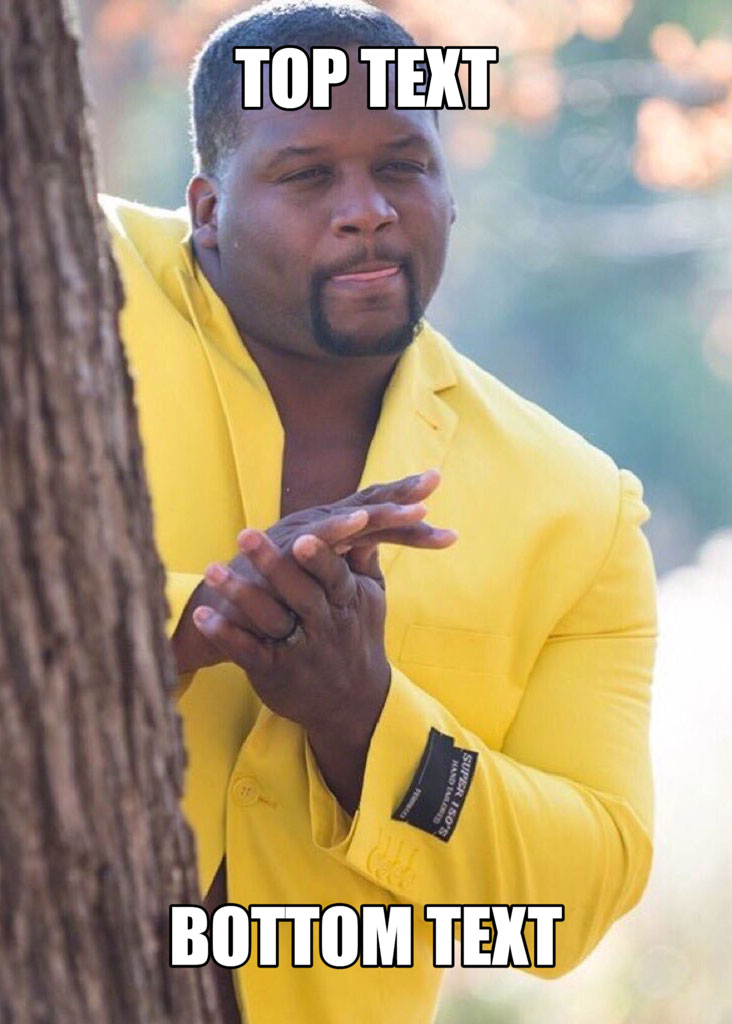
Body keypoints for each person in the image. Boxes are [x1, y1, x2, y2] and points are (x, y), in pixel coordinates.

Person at [101, 1, 658, 1021]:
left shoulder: (575, 510)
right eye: (308, 174)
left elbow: (579, 895)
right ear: (209, 205)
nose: (367, 210)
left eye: (403, 165)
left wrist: (367, 721)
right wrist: (197, 619)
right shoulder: (67, 277)